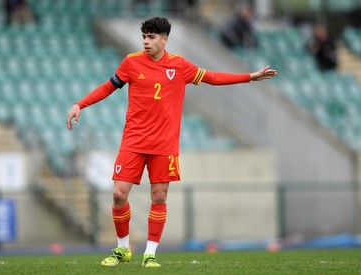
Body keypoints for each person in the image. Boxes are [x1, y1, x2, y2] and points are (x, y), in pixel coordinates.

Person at [66, 17, 276, 268]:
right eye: (144, 36)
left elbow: (213, 77)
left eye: (151, 37)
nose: (145, 41)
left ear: (164, 39)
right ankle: (123, 249)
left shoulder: (179, 66)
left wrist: (249, 77)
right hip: (133, 141)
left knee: (159, 196)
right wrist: (81, 104)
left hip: (164, 145)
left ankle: (150, 254)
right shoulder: (131, 62)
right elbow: (108, 87)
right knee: (118, 194)